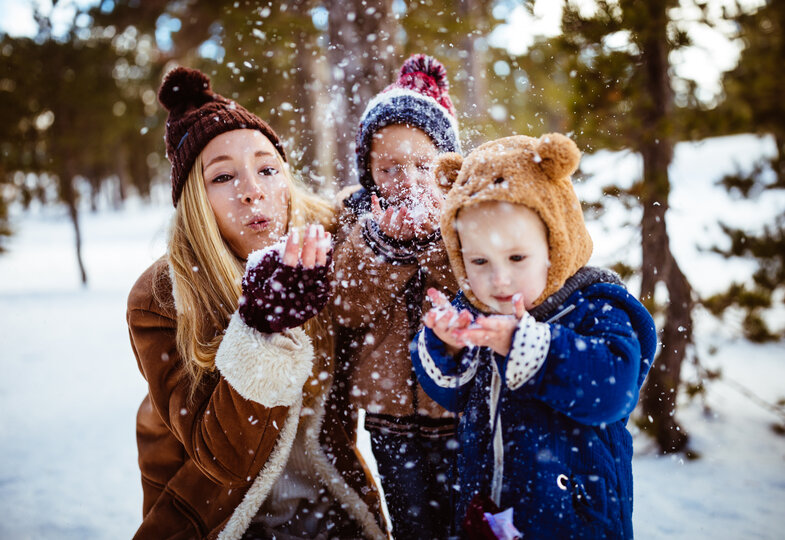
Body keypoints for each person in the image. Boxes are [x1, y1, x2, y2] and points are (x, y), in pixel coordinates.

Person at [127, 66, 387, 540]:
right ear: (194, 202)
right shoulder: (163, 297)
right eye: (223, 176)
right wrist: (261, 329)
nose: (253, 189)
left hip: (334, 513)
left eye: (268, 169)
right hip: (218, 523)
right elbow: (223, 460)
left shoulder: (324, 246)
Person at [411, 133, 657, 539]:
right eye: (478, 261)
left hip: (574, 520)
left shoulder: (594, 307)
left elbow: (615, 390)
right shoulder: (473, 310)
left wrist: (530, 348)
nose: (498, 278)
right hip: (490, 514)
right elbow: (452, 394)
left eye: (517, 257)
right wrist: (448, 345)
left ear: (555, 244)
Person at [331, 54, 461, 539]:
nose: (407, 180)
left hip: (454, 405)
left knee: (460, 515)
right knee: (411, 521)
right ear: (368, 171)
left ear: (446, 166)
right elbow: (346, 304)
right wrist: (384, 248)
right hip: (387, 411)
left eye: (423, 165)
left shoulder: (463, 218)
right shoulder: (355, 224)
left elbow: (473, 291)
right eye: (389, 167)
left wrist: (433, 244)